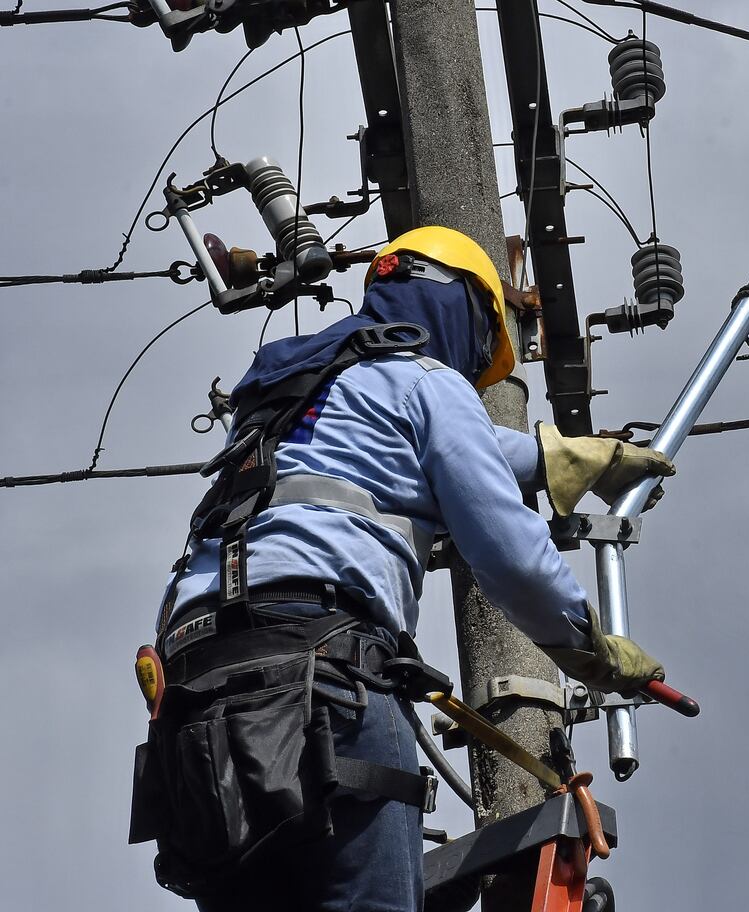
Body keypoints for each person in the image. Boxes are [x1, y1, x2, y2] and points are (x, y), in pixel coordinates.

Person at [129, 226, 674, 911]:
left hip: (195, 690)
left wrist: (555, 457)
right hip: (324, 670)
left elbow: (406, 436)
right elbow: (510, 552)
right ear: (462, 306)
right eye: (480, 347)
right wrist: (587, 648)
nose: (473, 368)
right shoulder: (428, 382)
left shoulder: (286, 391)